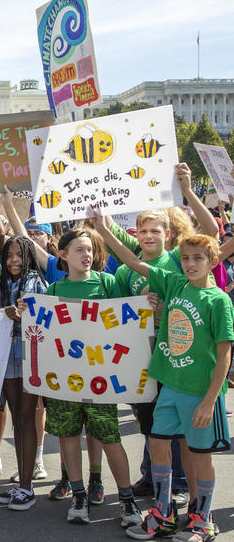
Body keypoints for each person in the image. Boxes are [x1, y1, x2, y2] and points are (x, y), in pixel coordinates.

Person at [95, 219, 232, 541]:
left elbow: (225, 354)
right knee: (158, 443)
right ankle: (163, 513)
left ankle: (203, 518)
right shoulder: (174, 284)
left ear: (212, 261)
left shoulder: (218, 300)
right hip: (168, 384)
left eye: (198, 258)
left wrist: (211, 401)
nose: (190, 264)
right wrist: (103, 227)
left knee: (200, 455)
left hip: (199, 391)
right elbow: (131, 261)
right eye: (185, 258)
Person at [18, 229, 141, 528]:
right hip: (64, 381)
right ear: (63, 255)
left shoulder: (106, 282)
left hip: (101, 381)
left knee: (111, 439)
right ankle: (78, 494)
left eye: (89, 250)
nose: (86, 255)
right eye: (79, 250)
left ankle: (127, 500)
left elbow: (131, 319)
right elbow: (42, 331)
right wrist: (26, 311)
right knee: (69, 438)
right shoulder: (53, 288)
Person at [0, 236, 47, 511]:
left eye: (19, 256)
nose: (14, 261)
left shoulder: (35, 280)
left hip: (29, 356)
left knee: (26, 418)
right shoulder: (1, 281)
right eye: (9, 256)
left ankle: (27, 486)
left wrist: (25, 313)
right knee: (17, 418)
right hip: (6, 356)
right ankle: (21, 484)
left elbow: (47, 313)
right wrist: (4, 312)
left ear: (28, 257)